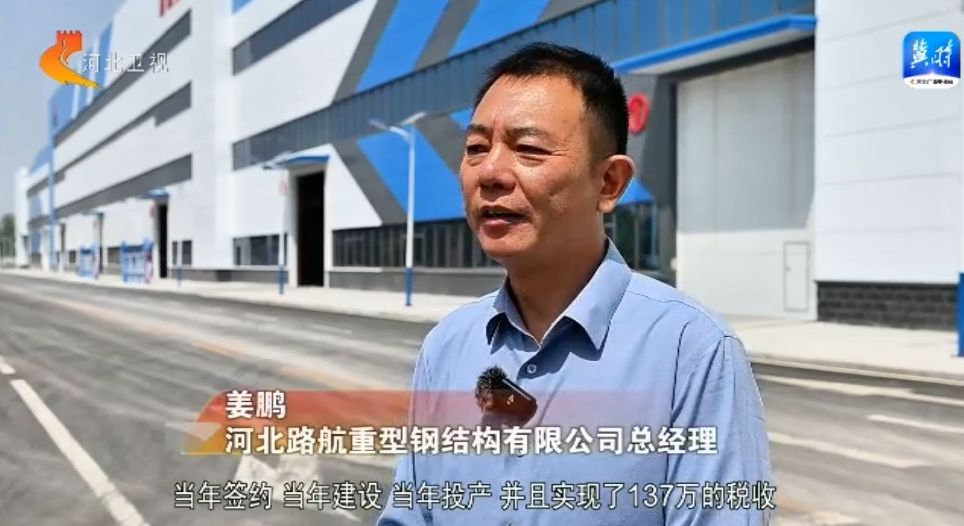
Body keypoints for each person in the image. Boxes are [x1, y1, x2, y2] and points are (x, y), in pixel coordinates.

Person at [376, 42, 773, 525]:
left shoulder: (689, 351)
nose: (491, 173)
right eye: (476, 148)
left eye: (528, 149)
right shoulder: (447, 347)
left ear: (608, 183)